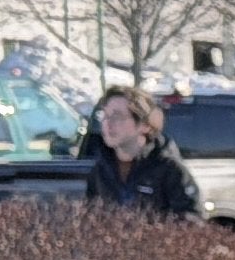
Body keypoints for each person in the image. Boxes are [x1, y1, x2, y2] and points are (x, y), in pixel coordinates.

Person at [85, 87, 202, 217]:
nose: (108, 124)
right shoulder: (100, 171)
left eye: (117, 116)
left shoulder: (169, 169)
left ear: (144, 125)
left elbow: (191, 221)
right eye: (104, 116)